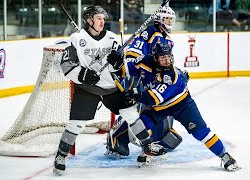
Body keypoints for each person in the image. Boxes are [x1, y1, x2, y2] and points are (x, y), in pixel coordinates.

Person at [53, 5, 166, 175]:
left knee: (131, 114)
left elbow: (122, 69)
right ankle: (60, 156)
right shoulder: (76, 39)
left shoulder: (112, 38)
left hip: (111, 87)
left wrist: (117, 63)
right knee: (76, 124)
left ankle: (147, 145)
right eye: (99, 18)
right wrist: (82, 74)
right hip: (87, 89)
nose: (102, 21)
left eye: (103, 19)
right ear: (89, 20)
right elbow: (66, 65)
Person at [110, 41, 241, 171]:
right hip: (159, 108)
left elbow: (152, 99)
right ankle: (148, 151)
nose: (167, 61)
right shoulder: (145, 62)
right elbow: (126, 69)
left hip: (182, 105)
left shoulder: (170, 75)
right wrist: (118, 64)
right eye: (163, 58)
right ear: (155, 58)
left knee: (201, 133)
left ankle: (225, 156)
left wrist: (135, 94)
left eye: (168, 57)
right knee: (139, 128)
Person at [104, 6, 183, 162]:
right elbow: (134, 53)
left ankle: (161, 134)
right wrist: (135, 70)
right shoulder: (150, 32)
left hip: (155, 78)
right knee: (137, 108)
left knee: (164, 102)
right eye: (167, 19)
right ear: (159, 19)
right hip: (141, 75)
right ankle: (117, 137)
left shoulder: (166, 37)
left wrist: (176, 72)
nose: (170, 22)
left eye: (171, 19)